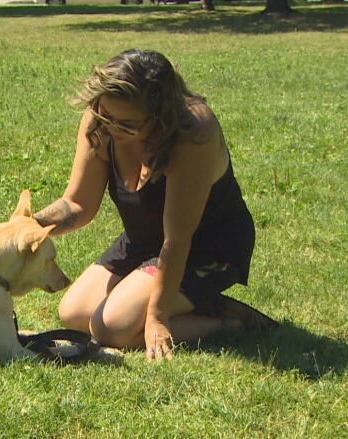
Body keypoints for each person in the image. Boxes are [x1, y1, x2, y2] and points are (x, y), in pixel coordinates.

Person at [33, 49, 277, 361]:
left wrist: (157, 318)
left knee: (111, 328)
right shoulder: (101, 120)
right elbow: (78, 203)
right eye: (106, 116)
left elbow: (177, 239)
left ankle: (227, 323)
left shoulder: (193, 133)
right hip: (145, 242)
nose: (111, 128)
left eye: (127, 124)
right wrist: (29, 226)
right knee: (74, 313)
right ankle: (207, 302)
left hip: (205, 248)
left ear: (160, 114)